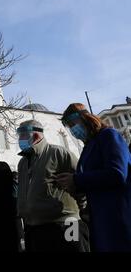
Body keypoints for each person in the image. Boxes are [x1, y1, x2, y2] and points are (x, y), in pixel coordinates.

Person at [56, 103, 131, 251]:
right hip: (101, 219)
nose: (72, 130)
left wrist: (76, 180)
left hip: (118, 215)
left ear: (85, 117)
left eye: (73, 124)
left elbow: (118, 173)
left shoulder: (109, 136)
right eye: (69, 127)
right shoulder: (88, 146)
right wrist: (73, 185)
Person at [16, 120, 89, 252]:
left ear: (36, 136)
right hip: (35, 228)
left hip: (67, 223)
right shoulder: (23, 163)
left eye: (22, 135)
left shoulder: (59, 153)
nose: (19, 139)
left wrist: (81, 207)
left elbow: (80, 182)